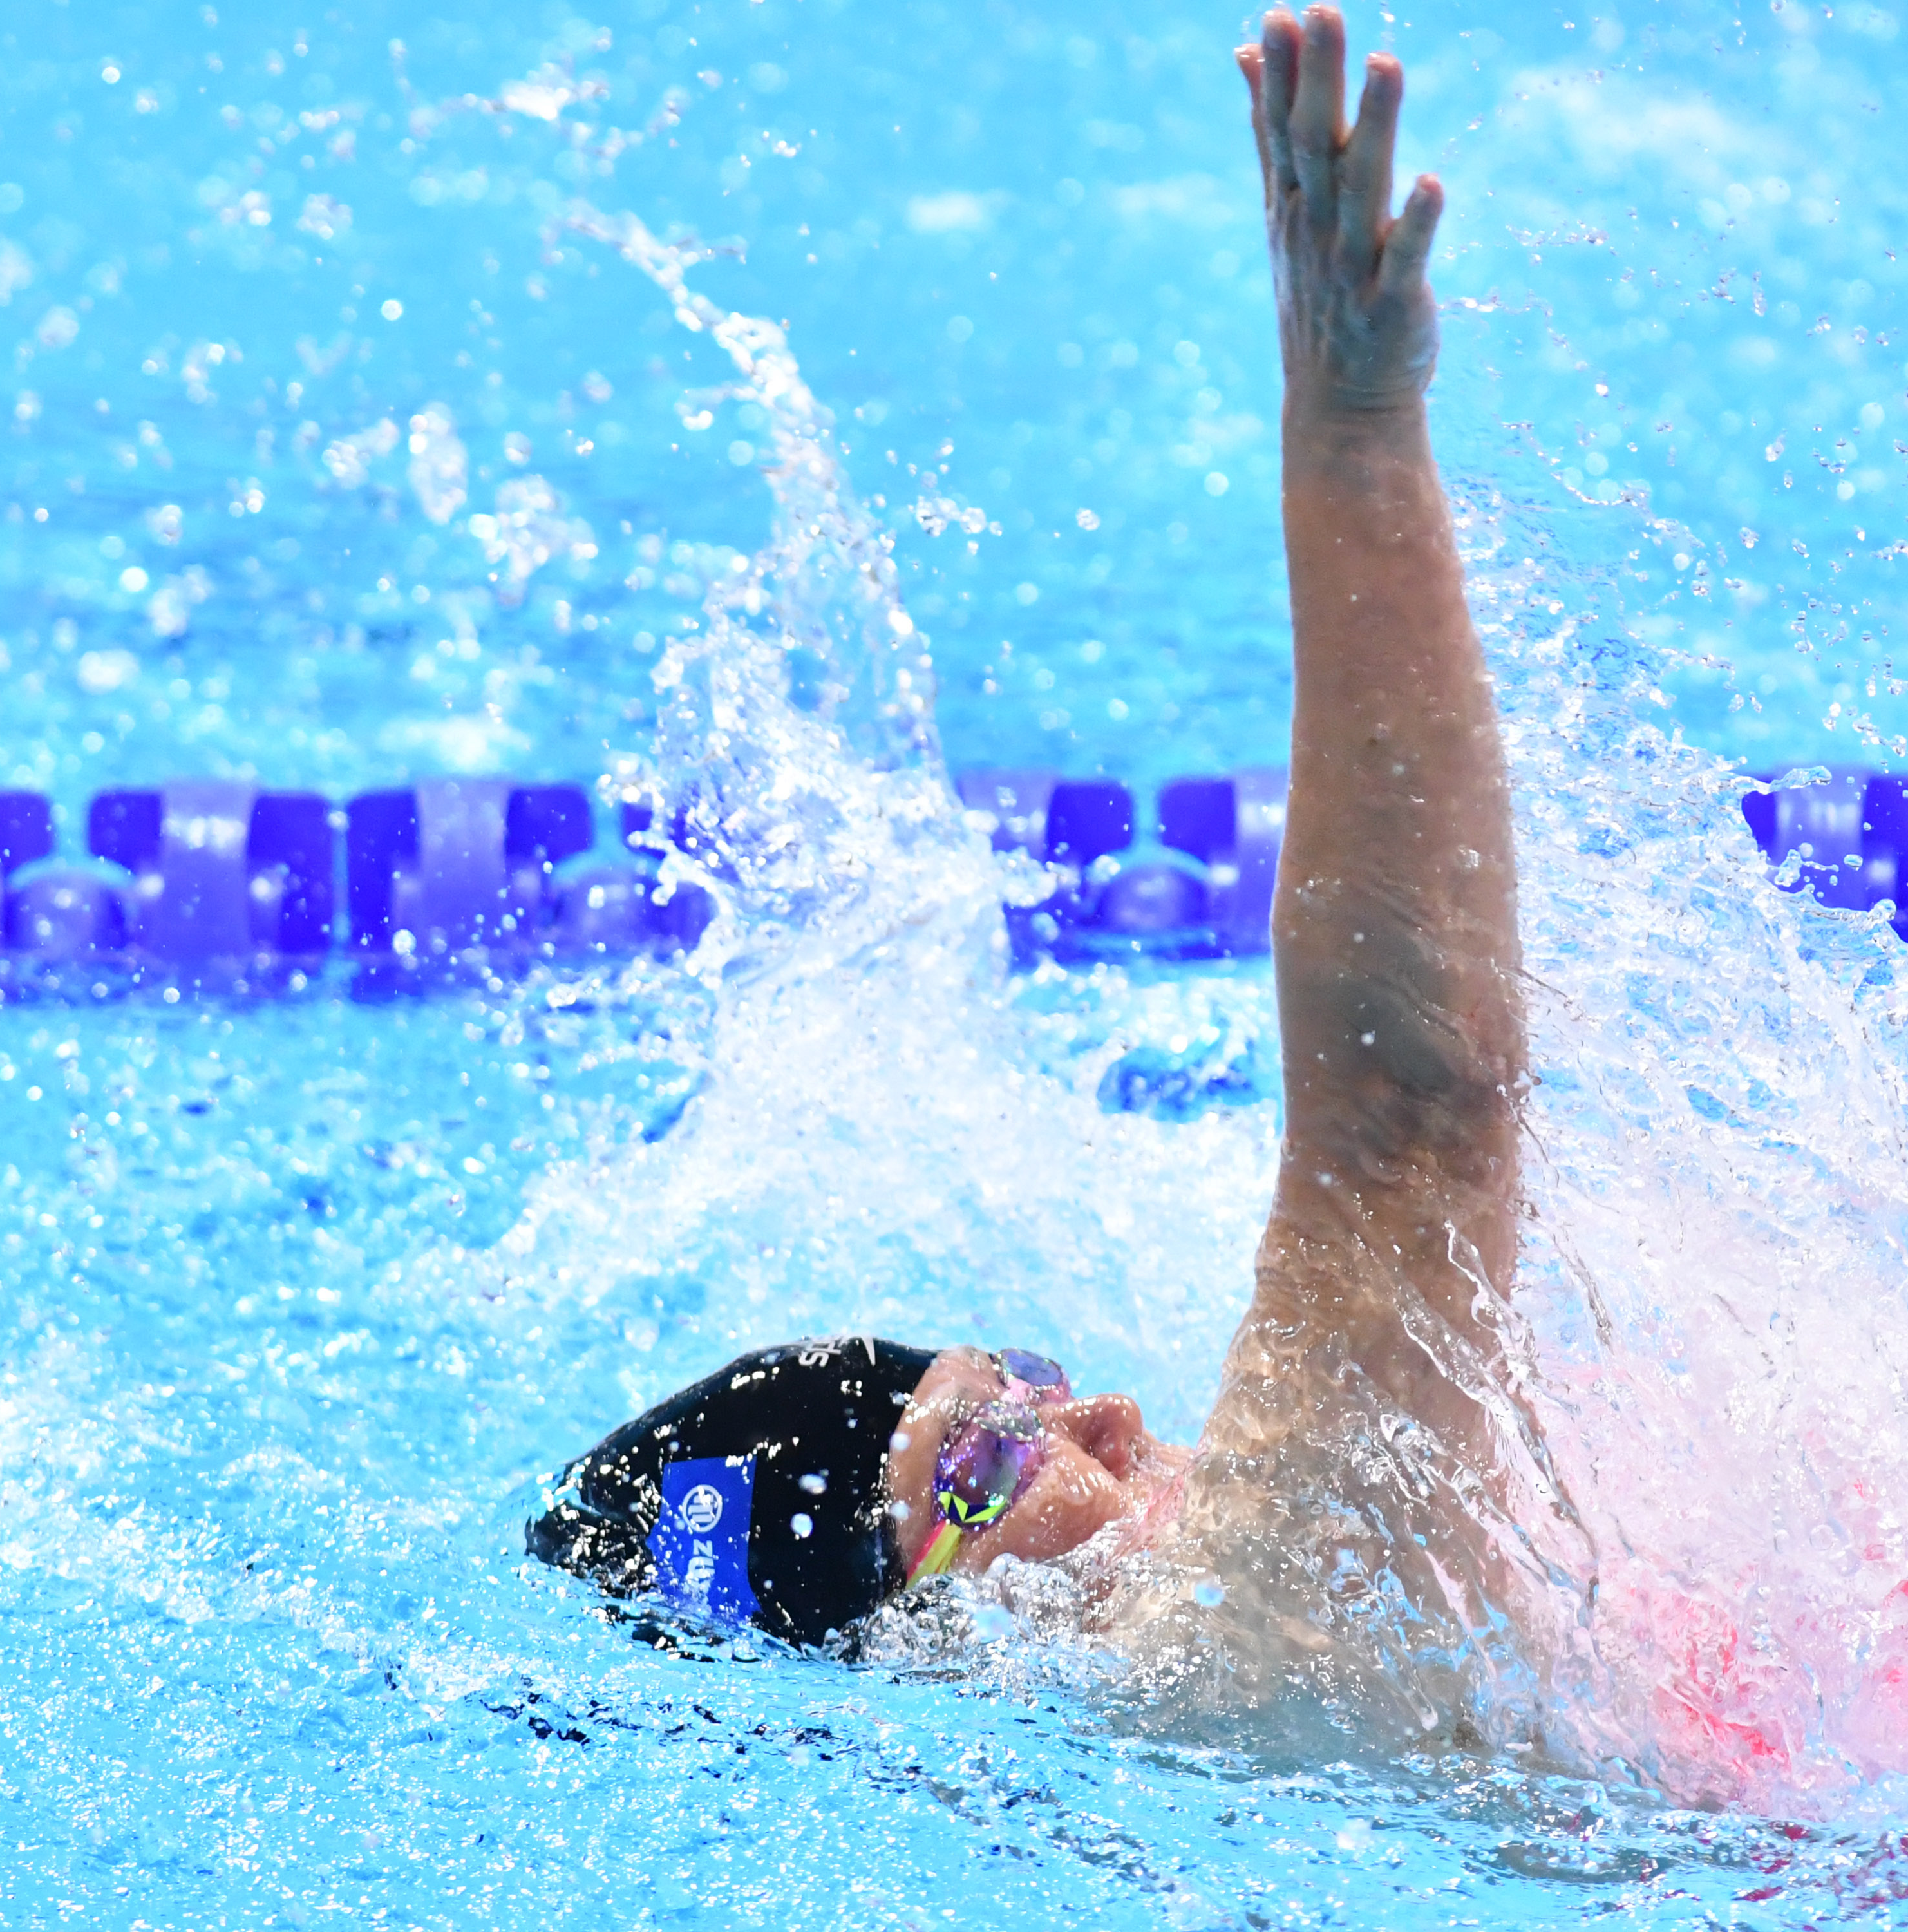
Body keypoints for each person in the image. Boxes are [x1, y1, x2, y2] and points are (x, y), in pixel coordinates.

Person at [533, 6, 1540, 1730]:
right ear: (917, 1638)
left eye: (1032, 1392)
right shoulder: (1221, 1668)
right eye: (988, 1461)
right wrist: (1353, 441)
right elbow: (1419, 1108)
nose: (1114, 1425)